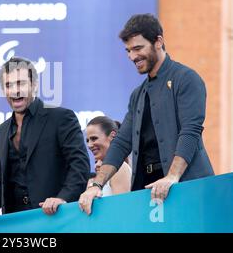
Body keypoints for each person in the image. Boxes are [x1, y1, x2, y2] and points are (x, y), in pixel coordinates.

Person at [79, 13, 214, 215]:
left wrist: (172, 177)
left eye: (138, 48)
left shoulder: (186, 78)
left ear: (158, 42)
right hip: (147, 193)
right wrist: (96, 186)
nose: (132, 57)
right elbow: (122, 142)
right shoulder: (138, 94)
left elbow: (190, 131)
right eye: (128, 51)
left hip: (187, 189)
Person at [0, 56, 90, 230]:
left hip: (55, 220)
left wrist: (62, 198)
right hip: (15, 225)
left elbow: (79, 166)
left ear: (34, 84)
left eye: (20, 83)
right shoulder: (3, 129)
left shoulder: (60, 117)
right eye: (8, 85)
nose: (15, 91)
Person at [86, 116, 131, 196]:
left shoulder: (119, 168)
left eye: (94, 138)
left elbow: (122, 206)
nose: (89, 145)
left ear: (112, 136)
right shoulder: (95, 178)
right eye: (87, 140)